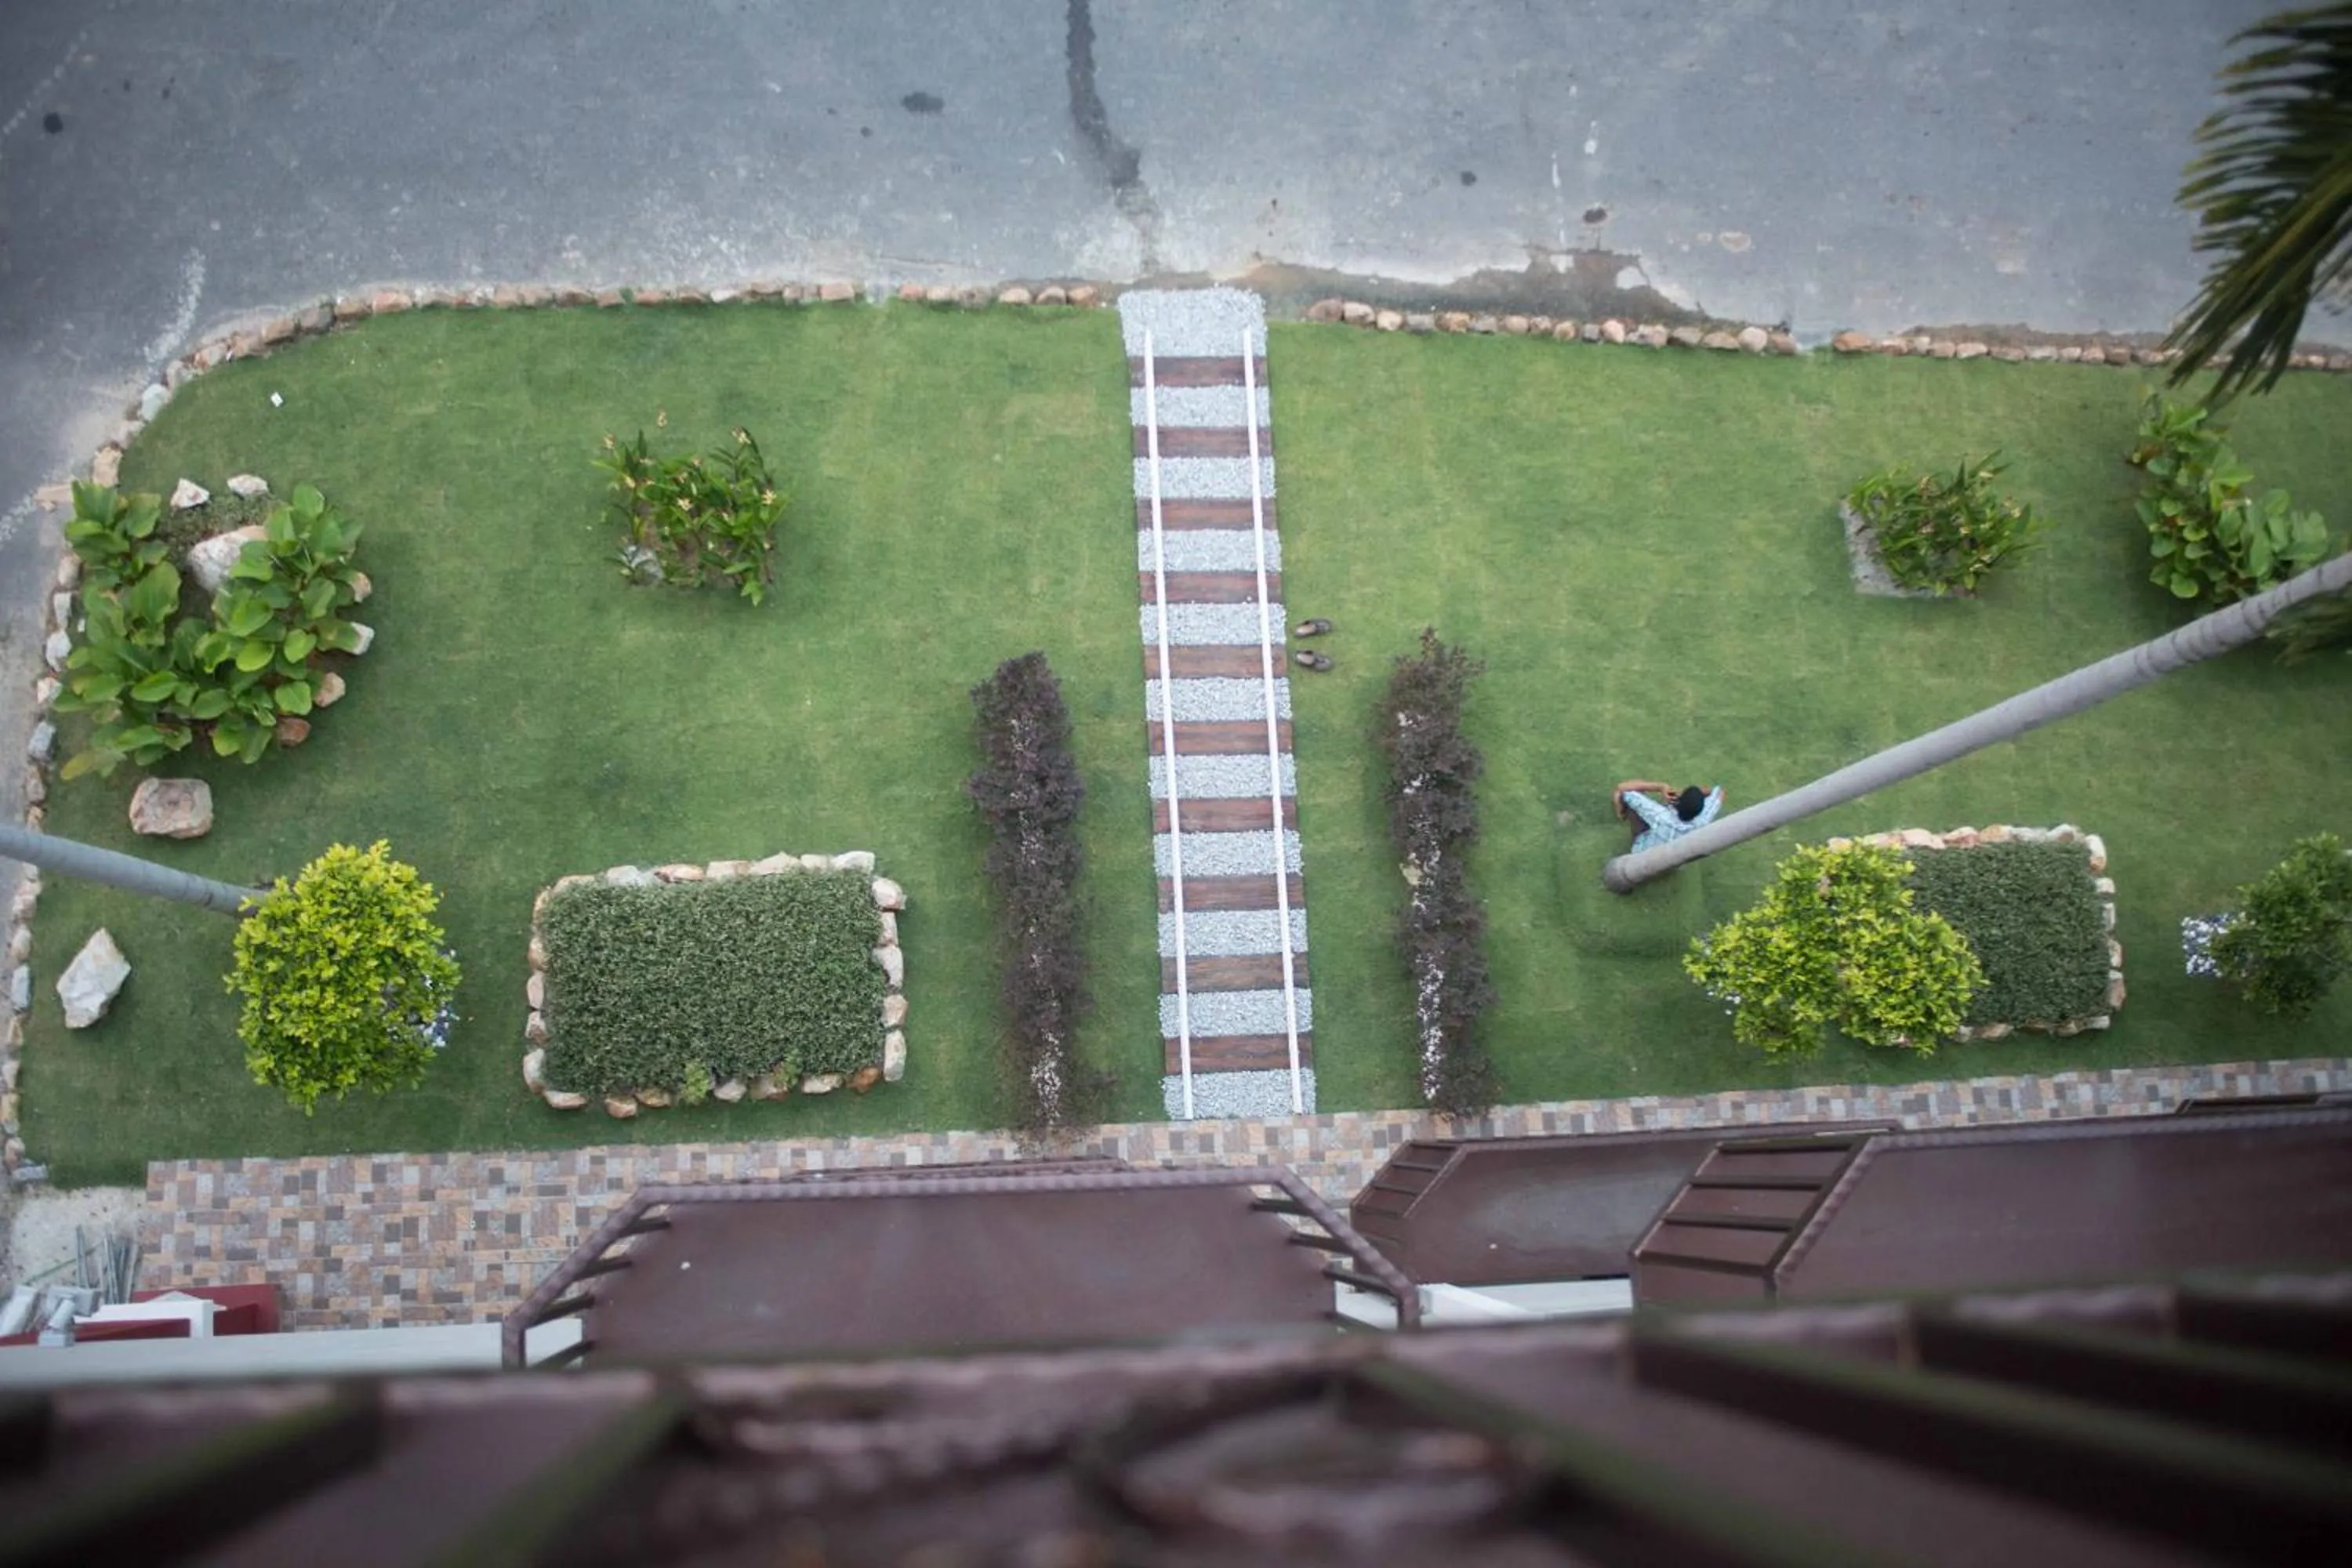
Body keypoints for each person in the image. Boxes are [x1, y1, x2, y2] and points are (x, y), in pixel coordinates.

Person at [1613, 779, 1725, 852]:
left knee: (1635, 802)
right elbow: (1719, 792)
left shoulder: (1660, 816)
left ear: (1678, 801)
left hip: (1642, 853)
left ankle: (1621, 814)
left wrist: (1661, 787)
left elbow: (1622, 789)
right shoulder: (1703, 819)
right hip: (1672, 862)